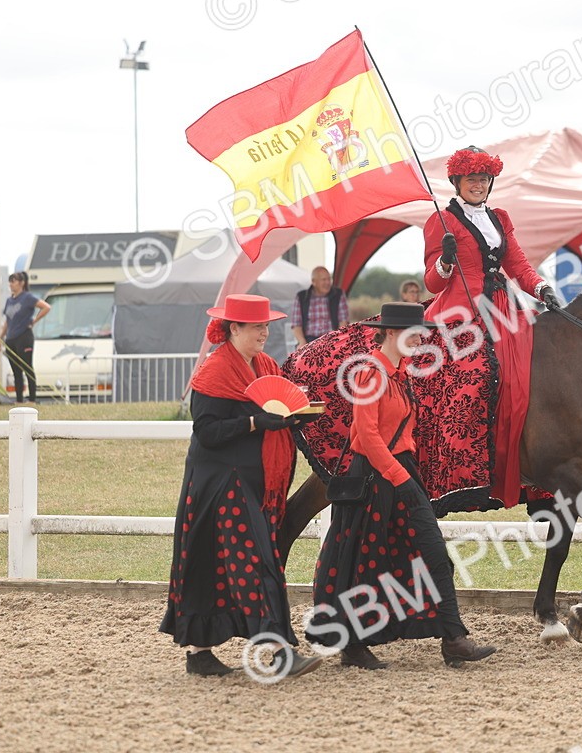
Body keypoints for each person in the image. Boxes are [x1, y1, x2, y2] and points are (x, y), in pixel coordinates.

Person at [307, 302, 497, 670]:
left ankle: (453, 638)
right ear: (393, 333)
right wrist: (400, 478)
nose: (420, 339)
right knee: (365, 564)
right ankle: (355, 644)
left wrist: (406, 475)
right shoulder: (370, 373)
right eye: (414, 333)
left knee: (430, 553)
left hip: (398, 471)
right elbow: (366, 433)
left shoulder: (400, 374)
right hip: (379, 475)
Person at [160, 294, 322, 678]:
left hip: (251, 481)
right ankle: (279, 653)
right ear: (234, 328)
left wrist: (290, 420)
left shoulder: (264, 365)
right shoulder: (214, 372)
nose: (265, 332)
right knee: (257, 563)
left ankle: (199, 653)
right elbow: (208, 431)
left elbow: (275, 408)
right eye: (257, 327)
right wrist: (255, 423)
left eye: (267, 326)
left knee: (214, 565)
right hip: (220, 483)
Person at [423, 145, 557, 506]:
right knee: (472, 378)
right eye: (471, 179)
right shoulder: (442, 220)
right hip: (461, 310)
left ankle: (531, 465)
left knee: (531, 375)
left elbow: (518, 265)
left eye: (483, 179)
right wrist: (445, 262)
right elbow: (432, 284)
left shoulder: (500, 218)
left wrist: (542, 289)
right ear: (457, 181)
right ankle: (460, 467)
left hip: (505, 309)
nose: (478, 185)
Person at [0, 272, 50, 405]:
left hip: (24, 337)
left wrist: (34, 320)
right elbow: (7, 321)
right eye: (10, 281)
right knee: (16, 371)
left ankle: (32, 399)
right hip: (11, 339)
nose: (10, 284)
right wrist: (0, 338)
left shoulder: (28, 298)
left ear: (22, 283)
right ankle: (19, 399)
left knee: (27, 368)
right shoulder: (9, 300)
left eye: (13, 281)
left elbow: (46, 307)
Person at [291, 266, 349, 346]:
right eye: (324, 280)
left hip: (332, 339)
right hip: (309, 341)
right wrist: (302, 341)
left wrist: (338, 340)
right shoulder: (301, 297)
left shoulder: (338, 294)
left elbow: (343, 321)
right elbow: (296, 325)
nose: (328, 282)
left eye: (329, 279)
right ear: (314, 282)